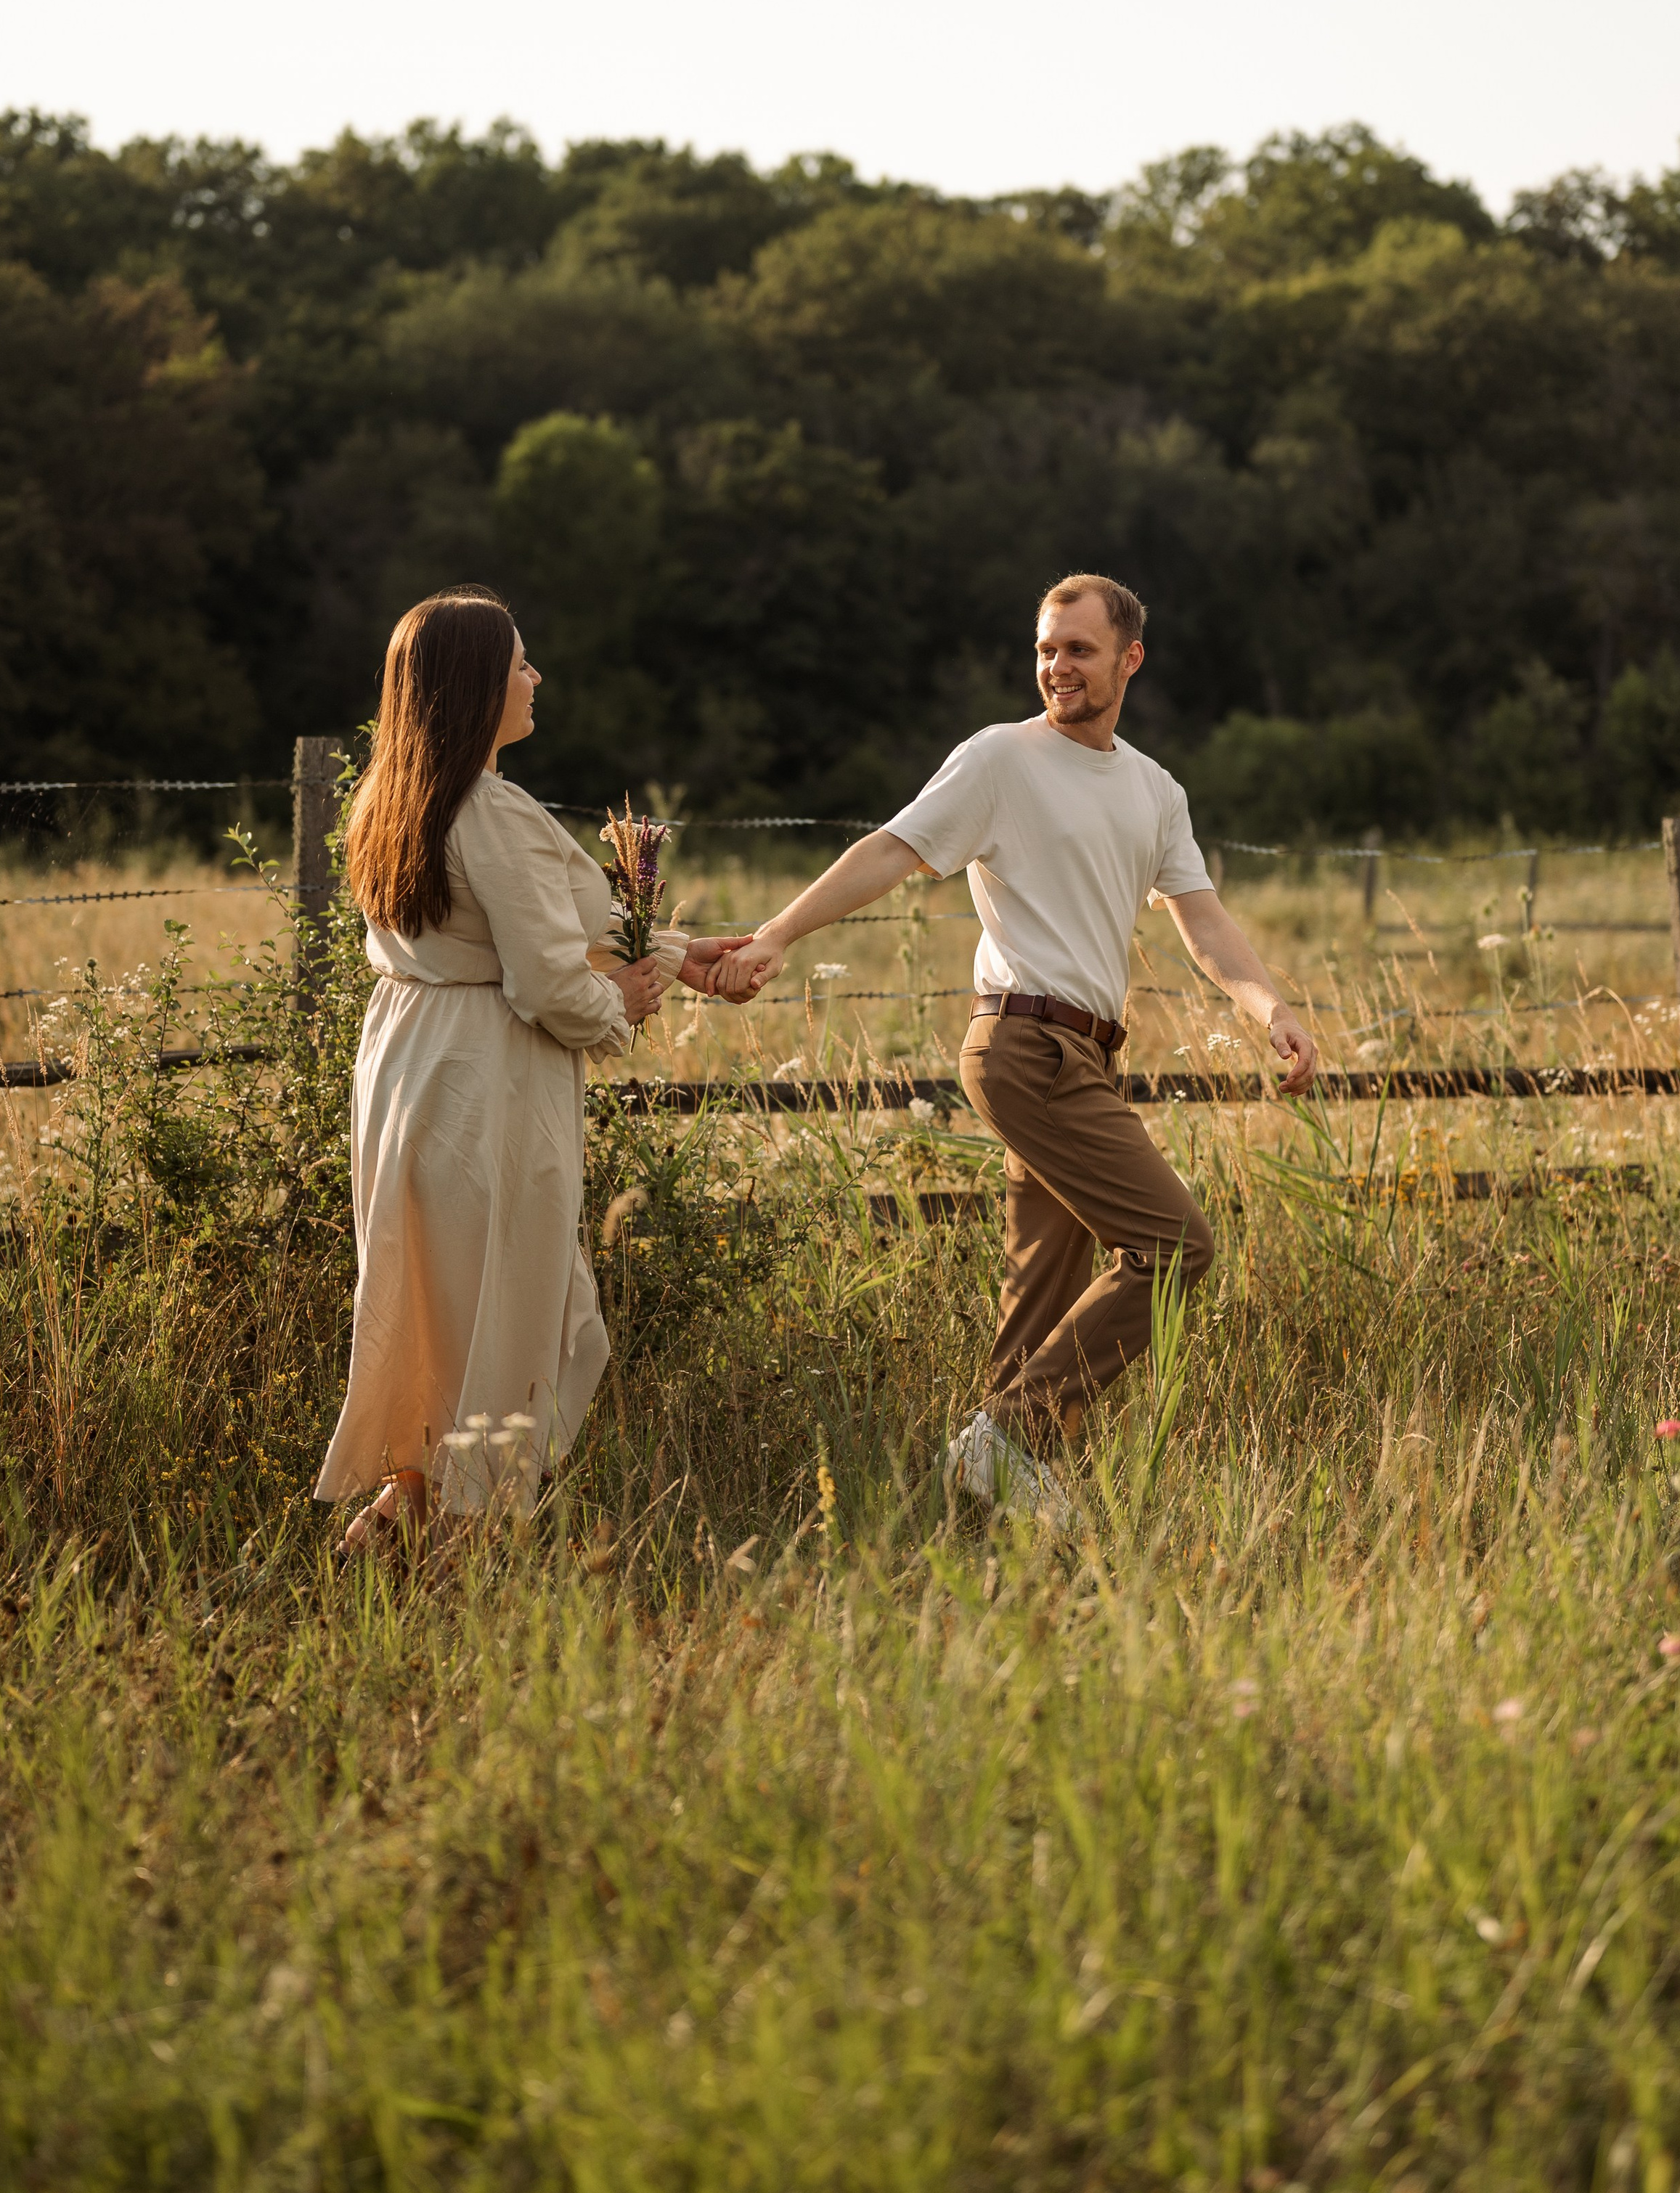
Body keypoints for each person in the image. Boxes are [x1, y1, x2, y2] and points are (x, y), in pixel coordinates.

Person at [714, 572, 1318, 1519]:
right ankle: (1008, 1438)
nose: (1056, 666)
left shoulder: (1155, 790)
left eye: (1078, 649)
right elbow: (892, 850)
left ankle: (982, 1506)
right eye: (1044, 648)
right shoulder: (1001, 758)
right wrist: (779, 935)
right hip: (1022, 1047)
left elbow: (1201, 919)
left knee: (1042, 1289)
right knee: (1174, 1246)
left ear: (1130, 658)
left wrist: (1268, 1007)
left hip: (1090, 1057)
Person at [317, 585, 749, 1553]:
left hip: (408, 1067)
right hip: (488, 1078)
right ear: (475, 685)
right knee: (533, 1318)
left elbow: (526, 931)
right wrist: (620, 1004)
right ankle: (461, 1540)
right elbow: (550, 980)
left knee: (444, 1308)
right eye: (519, 663)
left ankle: (392, 1531)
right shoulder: (491, 810)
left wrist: (681, 956)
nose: (535, 677)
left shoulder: (389, 800)